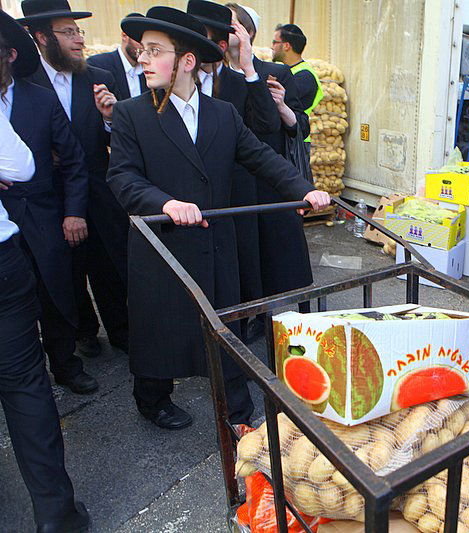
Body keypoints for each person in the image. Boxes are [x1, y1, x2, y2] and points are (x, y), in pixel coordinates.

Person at [106, 7, 329, 430]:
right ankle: (152, 399)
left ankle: (238, 414)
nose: (142, 59)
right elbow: (122, 177)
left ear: (187, 61)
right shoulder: (131, 114)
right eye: (142, 51)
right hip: (163, 248)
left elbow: (262, 158)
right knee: (160, 328)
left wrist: (304, 189)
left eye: (154, 51)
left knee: (224, 331)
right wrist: (165, 203)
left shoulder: (222, 113)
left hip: (214, 246)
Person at [0, 11, 90, 531]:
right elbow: (19, 163)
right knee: (20, 378)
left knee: (58, 295)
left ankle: (68, 363)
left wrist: (74, 211)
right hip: (6, 238)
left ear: (14, 57)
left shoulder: (37, 98)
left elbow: (72, 160)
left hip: (40, 221)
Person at [20, 0, 130, 361]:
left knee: (109, 266)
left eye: (78, 31)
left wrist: (113, 119)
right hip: (49, 197)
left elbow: (123, 143)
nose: (78, 40)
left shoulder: (100, 78)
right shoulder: (23, 83)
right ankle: (83, 331)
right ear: (41, 37)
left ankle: (121, 330)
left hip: (99, 192)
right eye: (68, 32)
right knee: (65, 272)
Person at [187, 0, 285, 324]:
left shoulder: (240, 81)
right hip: (188, 192)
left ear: (217, 45)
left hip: (236, 189)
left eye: (202, 36)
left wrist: (249, 69)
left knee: (242, 261)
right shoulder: (173, 84)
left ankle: (247, 320)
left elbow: (267, 128)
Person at [227, 2, 316, 330]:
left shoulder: (274, 73)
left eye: (233, 24)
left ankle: (290, 322)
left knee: (280, 253)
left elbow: (300, 126)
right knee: (243, 255)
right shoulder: (212, 76)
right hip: (233, 184)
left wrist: (281, 107)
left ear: (248, 32)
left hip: (271, 180)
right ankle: (249, 315)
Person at [273, 23, 323, 144]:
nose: (272, 47)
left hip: (296, 141)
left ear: (286, 46)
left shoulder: (304, 76)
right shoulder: (287, 71)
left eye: (274, 42)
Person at [86, 13, 146, 101]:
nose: (143, 46)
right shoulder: (98, 65)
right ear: (124, 35)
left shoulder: (150, 69)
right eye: (138, 39)